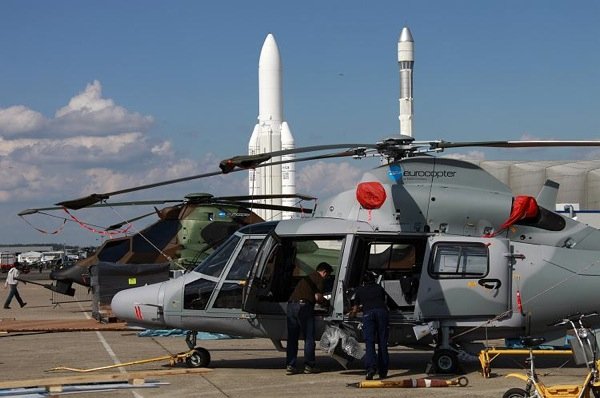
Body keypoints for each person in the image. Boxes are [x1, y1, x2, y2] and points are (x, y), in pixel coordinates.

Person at [285, 261, 333, 375]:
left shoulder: (307, 278)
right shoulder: (319, 279)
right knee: (309, 338)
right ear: (324, 272)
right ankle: (309, 365)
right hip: (304, 308)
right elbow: (318, 297)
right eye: (328, 275)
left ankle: (290, 365)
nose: (327, 278)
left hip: (291, 306)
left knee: (292, 338)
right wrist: (328, 304)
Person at [350, 271, 389, 380]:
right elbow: (383, 301)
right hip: (382, 313)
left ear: (363, 281)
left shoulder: (360, 290)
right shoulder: (379, 288)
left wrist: (352, 314)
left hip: (368, 314)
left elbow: (355, 308)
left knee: (370, 343)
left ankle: (371, 369)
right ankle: (383, 371)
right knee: (382, 343)